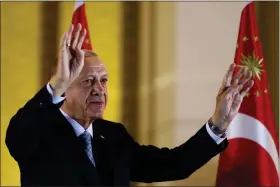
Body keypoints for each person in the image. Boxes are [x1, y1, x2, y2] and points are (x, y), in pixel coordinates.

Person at [5, 23, 254, 186]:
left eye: (103, 81)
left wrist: (218, 124)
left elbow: (172, 165)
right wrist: (57, 82)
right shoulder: (39, 133)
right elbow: (17, 136)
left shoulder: (112, 135)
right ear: (64, 87)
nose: (99, 89)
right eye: (88, 81)